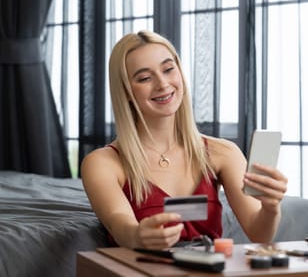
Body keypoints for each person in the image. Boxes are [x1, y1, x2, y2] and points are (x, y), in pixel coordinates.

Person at [81, 30, 288, 250]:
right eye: (144, 78)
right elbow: (119, 225)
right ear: (126, 92)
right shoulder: (103, 163)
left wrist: (271, 207)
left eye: (169, 69)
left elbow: (259, 233)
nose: (162, 84)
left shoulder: (223, 153)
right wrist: (138, 236)